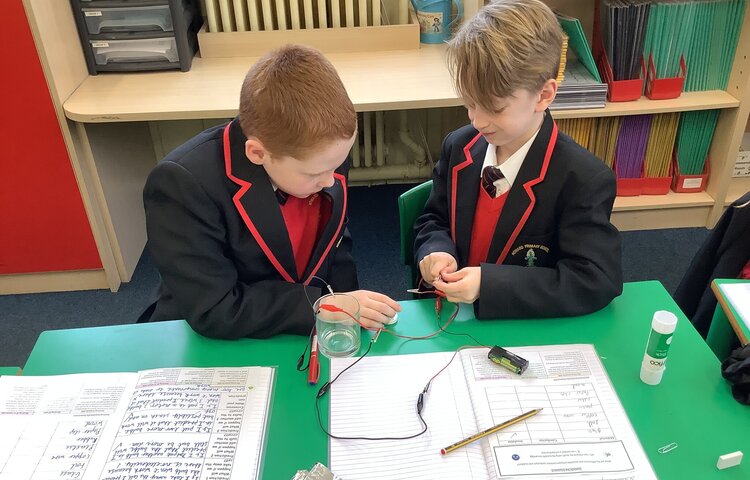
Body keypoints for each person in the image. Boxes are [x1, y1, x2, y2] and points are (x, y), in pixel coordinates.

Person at [141, 44, 400, 339]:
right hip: (213, 331)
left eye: (338, 165)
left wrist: (346, 304)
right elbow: (215, 308)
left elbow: (335, 243)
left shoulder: (323, 154)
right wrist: (318, 305)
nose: (331, 180)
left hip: (304, 321)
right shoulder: (182, 184)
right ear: (257, 153)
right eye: (315, 173)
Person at [414, 0, 622, 319]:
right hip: (450, 320)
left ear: (544, 95)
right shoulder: (459, 147)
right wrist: (435, 250)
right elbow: (433, 219)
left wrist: (490, 284)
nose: (478, 121)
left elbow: (595, 280)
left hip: (522, 325)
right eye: (470, 103)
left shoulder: (583, 179)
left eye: (494, 108)